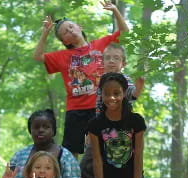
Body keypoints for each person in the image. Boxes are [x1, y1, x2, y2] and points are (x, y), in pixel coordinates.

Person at [33, 1, 129, 158]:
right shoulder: (62, 56)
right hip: (76, 109)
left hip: (101, 106)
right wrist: (45, 32)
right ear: (65, 42)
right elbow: (37, 56)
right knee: (71, 151)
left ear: (79, 27)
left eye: (71, 27)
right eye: (65, 32)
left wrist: (115, 11)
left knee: (106, 148)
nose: (70, 31)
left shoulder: (101, 44)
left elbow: (124, 33)